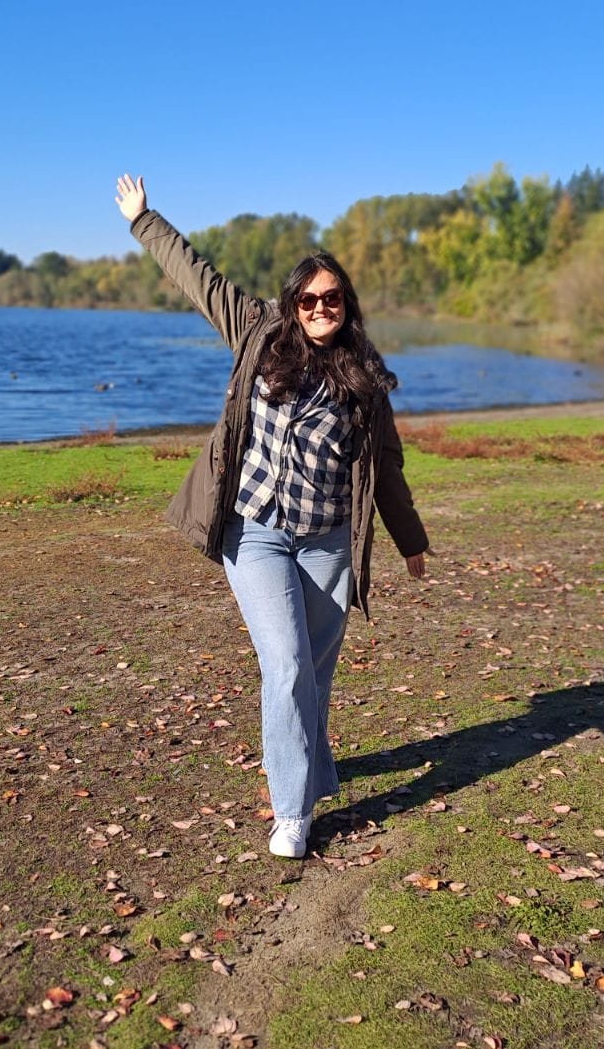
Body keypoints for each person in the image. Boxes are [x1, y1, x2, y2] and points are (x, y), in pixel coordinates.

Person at [115, 173, 429, 858]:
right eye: (309, 299)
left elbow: (388, 467)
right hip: (253, 532)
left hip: (327, 544)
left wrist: (410, 541)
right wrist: (145, 221)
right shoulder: (257, 331)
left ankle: (310, 770)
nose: (321, 308)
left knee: (312, 672)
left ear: (347, 304)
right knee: (285, 666)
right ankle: (293, 812)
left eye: (333, 298)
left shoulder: (365, 378)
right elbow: (196, 276)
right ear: (292, 302)